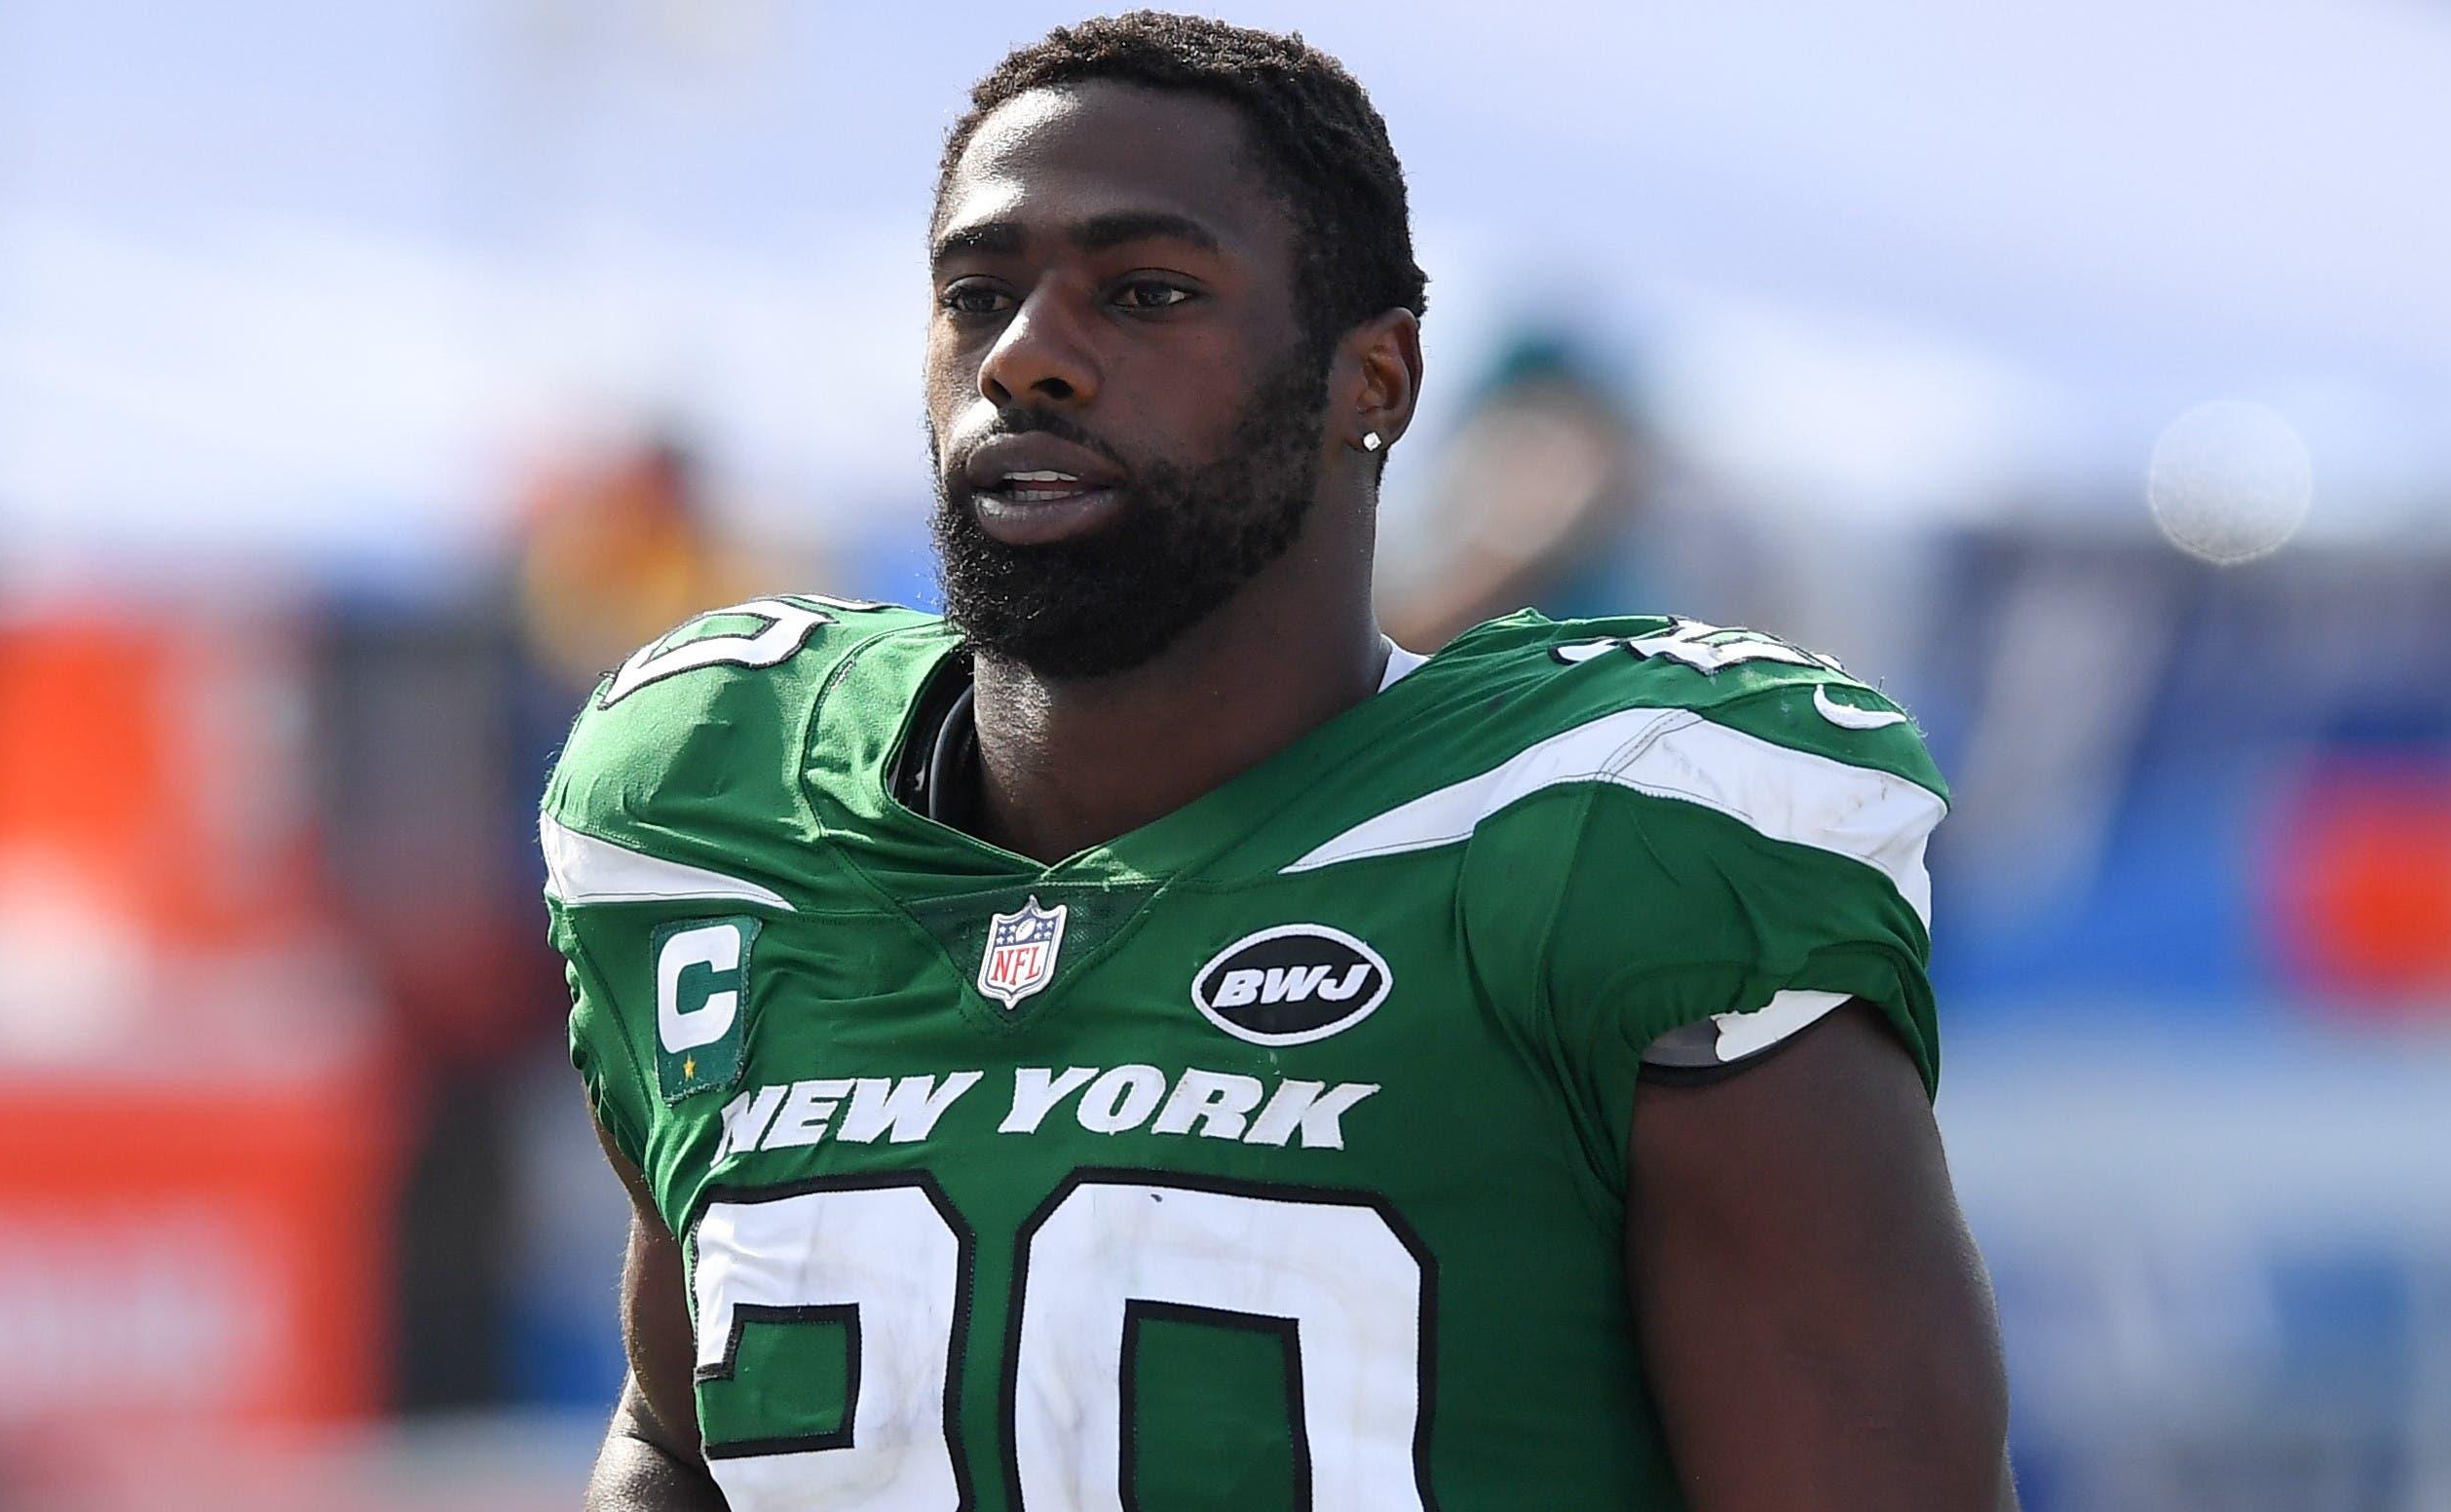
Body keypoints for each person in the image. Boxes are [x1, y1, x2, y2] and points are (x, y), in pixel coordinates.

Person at [542, 14, 2015, 1509]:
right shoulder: (720, 808)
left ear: (1372, 382)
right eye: (977, 293)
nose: (1030, 358)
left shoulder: (1607, 846)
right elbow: (677, 1434)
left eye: (1147, 293)